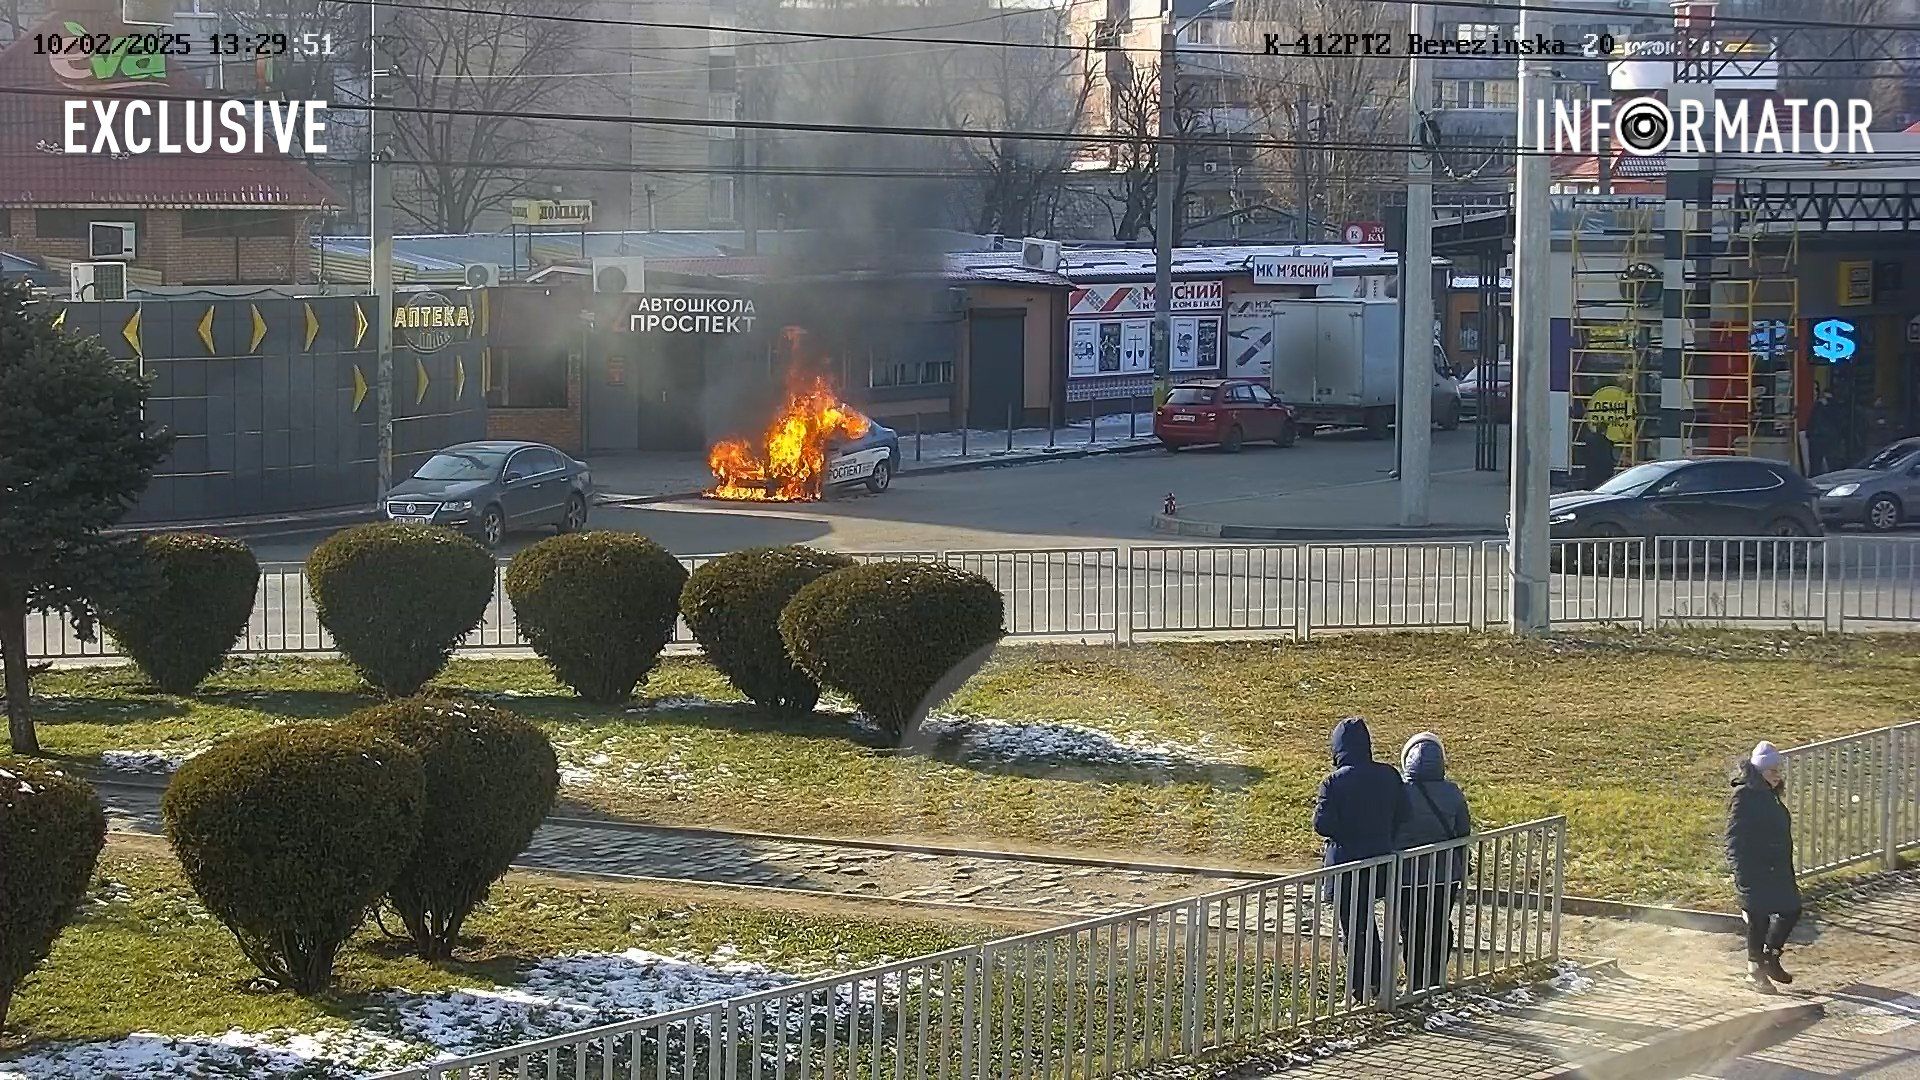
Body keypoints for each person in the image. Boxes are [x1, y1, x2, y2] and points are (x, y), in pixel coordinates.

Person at [1313, 717, 1409, 1002]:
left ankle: (1360, 990)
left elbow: (1322, 825)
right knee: (1376, 926)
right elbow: (1404, 814)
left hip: (1346, 864)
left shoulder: (1333, 782)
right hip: (1380, 860)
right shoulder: (1389, 775)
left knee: (1354, 929)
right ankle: (1379, 983)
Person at [1393, 732, 1473, 991]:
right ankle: (1436, 977)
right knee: (1439, 923)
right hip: (1446, 873)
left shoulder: (1400, 793)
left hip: (1406, 875)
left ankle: (1414, 981)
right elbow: (1463, 831)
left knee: (1411, 926)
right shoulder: (1452, 793)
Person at [1726, 741, 1801, 994]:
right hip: (1754, 869)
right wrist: (1740, 870)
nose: (1777, 775)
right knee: (1757, 919)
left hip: (1777, 868)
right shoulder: (1745, 796)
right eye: (1771, 770)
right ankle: (1755, 970)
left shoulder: (1771, 795)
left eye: (1778, 770)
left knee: (1791, 909)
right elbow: (1734, 837)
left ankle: (1771, 956)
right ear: (1759, 771)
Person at [1807, 390, 1842, 475]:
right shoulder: (1818, 406)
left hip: (1826, 437)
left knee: (1830, 462)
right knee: (1816, 463)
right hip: (1819, 437)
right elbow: (1813, 421)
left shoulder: (1832, 408)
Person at [1575, 419, 1616, 491]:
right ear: (1605, 431)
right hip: (1604, 470)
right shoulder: (1607, 442)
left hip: (1591, 468)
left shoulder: (1589, 439)